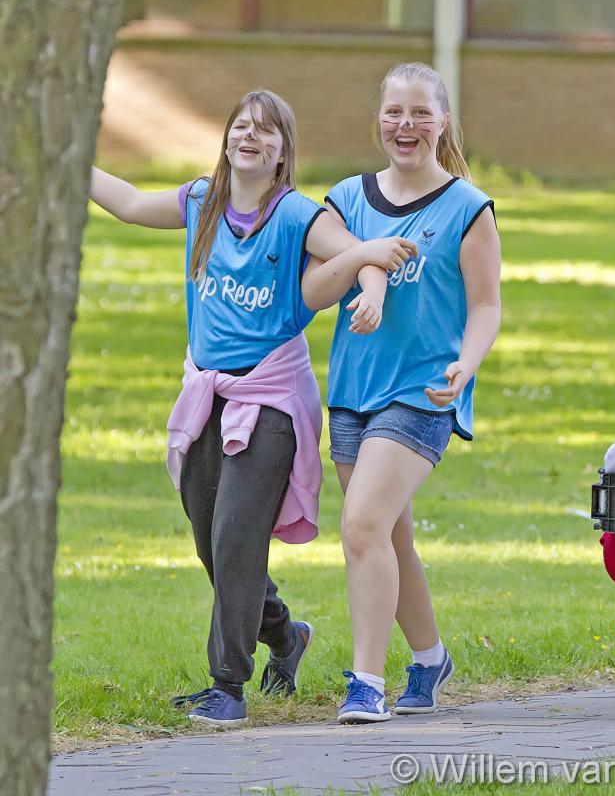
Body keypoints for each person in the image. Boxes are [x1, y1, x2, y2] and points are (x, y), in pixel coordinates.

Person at [89, 90, 410, 726]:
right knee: (212, 542)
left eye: (266, 131)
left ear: (283, 151)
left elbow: (364, 252)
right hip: (207, 392)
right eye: (241, 127)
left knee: (236, 536)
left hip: (270, 400)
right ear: (227, 138)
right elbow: (128, 203)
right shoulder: (201, 202)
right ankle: (286, 635)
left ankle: (227, 688)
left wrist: (372, 293)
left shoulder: (295, 215)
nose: (251, 138)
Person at [301, 63, 502, 723]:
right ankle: (430, 658)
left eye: (420, 113)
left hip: (424, 392)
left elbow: (486, 305)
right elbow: (314, 292)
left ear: (443, 122)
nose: (406, 125)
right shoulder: (346, 199)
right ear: (379, 120)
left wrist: (467, 363)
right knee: (388, 534)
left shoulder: (468, 208)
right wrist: (363, 260)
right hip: (354, 390)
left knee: (362, 524)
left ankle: (366, 682)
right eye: (394, 112)